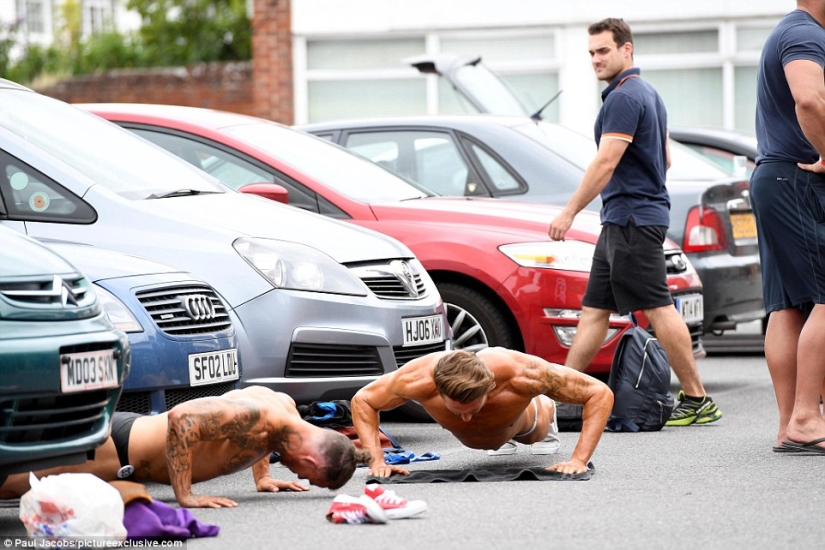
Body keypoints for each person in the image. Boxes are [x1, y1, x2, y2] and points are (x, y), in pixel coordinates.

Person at [547, 17, 722, 427]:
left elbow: (606, 161)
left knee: (658, 308)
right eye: (591, 53)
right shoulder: (647, 94)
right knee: (594, 310)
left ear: (627, 49)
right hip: (622, 220)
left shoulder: (624, 97)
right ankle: (560, 394)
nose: (595, 59)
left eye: (603, 50)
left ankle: (697, 400)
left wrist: (569, 211)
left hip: (632, 220)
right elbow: (667, 157)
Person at [0, 386, 371, 507]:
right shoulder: (259, 415)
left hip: (125, 453)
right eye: (311, 477)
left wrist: (264, 478)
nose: (301, 477)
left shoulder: (285, 412)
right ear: (311, 459)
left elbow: (266, 441)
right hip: (119, 448)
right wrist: (186, 494)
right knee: (13, 486)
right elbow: (182, 419)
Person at [351, 348, 613, 476]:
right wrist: (377, 461)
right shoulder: (416, 379)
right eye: (457, 411)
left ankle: (542, 407)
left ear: (489, 387)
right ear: (437, 390)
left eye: (473, 409)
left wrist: (578, 460)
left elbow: (599, 393)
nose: (465, 419)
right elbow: (363, 400)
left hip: (522, 422)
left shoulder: (523, 374)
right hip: (486, 435)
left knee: (536, 429)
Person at [751, 1, 825, 453]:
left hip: (776, 176)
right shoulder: (806, 35)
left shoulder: (790, 30)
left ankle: (789, 425)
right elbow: (809, 98)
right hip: (798, 175)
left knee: (789, 305)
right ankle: (805, 417)